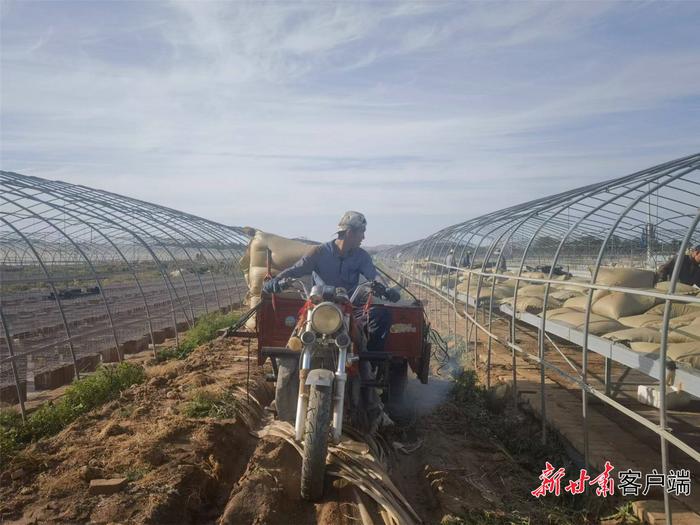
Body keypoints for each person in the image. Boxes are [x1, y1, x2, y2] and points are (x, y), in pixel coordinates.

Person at [262, 211, 399, 427]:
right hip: (317, 309)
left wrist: (386, 288)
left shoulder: (361, 256)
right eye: (362, 232)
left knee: (359, 352)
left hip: (344, 310)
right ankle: (281, 403)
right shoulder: (319, 252)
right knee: (292, 349)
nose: (364, 237)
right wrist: (276, 281)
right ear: (351, 232)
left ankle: (374, 410)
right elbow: (297, 269)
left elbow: (373, 276)